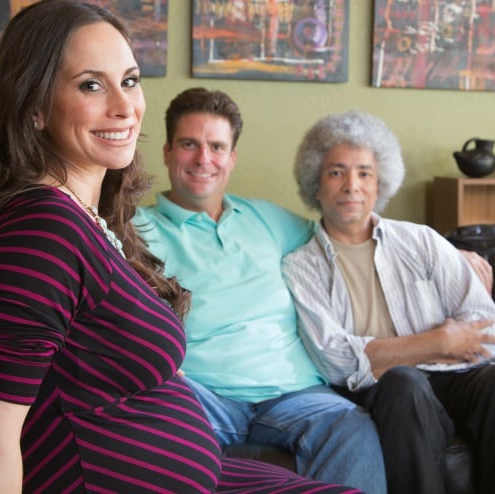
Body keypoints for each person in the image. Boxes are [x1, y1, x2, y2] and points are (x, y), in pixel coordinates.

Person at [0, 2, 362, 493]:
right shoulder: (40, 228)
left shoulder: (92, 220)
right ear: (34, 107)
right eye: (91, 85)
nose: (124, 106)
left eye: (130, 80)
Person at [282, 111, 495, 494]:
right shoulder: (301, 267)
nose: (352, 185)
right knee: (403, 382)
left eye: (364, 173)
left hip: (458, 379)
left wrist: (387, 351)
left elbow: (489, 330)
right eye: (336, 172)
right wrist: (439, 341)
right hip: (387, 389)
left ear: (380, 185)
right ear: (315, 184)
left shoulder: (422, 241)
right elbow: (337, 360)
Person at [133, 87, 387, 493]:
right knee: (154, 429)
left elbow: (349, 232)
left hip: (294, 392)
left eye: (217, 146)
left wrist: (449, 254)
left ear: (232, 158)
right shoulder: (135, 230)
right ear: (166, 152)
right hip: (200, 391)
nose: (203, 159)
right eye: (188, 145)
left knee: (350, 426)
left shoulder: (266, 219)